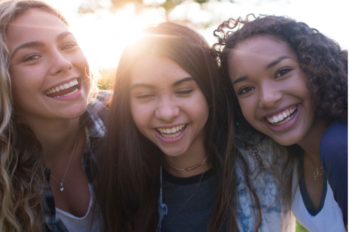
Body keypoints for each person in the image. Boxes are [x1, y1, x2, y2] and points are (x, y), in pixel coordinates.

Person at [96, 22, 295, 232]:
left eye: (184, 91)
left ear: (209, 93)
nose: (166, 112)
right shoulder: (114, 173)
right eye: (145, 95)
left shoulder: (268, 154)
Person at [212, 15, 348, 232]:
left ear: (314, 67)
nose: (267, 98)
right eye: (246, 89)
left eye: (282, 72)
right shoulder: (289, 155)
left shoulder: (342, 145)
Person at [0, 0, 107, 232]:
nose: (63, 63)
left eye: (67, 45)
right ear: (1, 80)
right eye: (32, 56)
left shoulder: (121, 117)